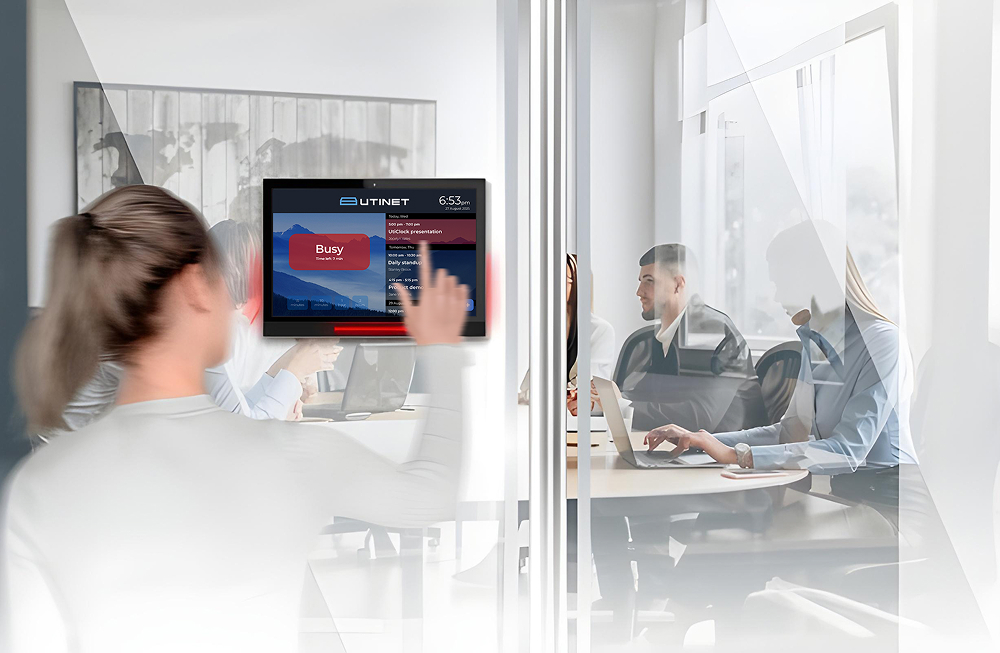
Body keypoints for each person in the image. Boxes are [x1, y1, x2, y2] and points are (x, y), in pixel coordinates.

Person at [2, 186, 470, 653]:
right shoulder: (290, 459)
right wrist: (442, 347)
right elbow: (433, 494)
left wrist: (282, 375)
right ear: (193, 288)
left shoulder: (38, 486)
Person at [645, 220, 918, 508]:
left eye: (782, 283)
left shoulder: (883, 342)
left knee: (739, 538)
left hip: (891, 504)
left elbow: (848, 451)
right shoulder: (819, 343)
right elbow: (789, 430)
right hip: (847, 498)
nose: (777, 297)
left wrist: (738, 455)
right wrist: (702, 440)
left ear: (813, 277)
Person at [53, 220, 340, 434]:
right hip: (80, 475)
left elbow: (236, 415)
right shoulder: (182, 330)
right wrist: (294, 371)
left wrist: (287, 370)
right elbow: (241, 435)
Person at [610, 244, 767, 432]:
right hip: (686, 450)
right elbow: (648, 396)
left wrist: (619, 407)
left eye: (649, 281)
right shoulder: (666, 334)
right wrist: (604, 401)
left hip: (728, 454)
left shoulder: (710, 332)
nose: (639, 291)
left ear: (678, 284)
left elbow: (699, 417)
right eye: (640, 281)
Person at [518, 253, 616, 414]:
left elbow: (589, 393)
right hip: (547, 418)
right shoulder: (548, 329)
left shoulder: (600, 330)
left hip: (582, 423)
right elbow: (529, 390)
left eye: (560, 278)